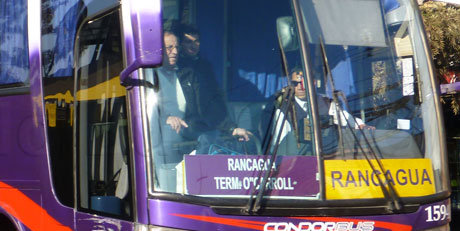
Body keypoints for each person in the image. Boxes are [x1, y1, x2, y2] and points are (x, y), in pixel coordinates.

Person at [150, 31, 253, 189]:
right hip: (159, 146)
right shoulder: (149, 74)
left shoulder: (190, 72)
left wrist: (230, 128)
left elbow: (209, 106)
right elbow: (145, 107)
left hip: (187, 141)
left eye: (176, 47)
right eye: (169, 47)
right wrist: (166, 117)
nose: (175, 52)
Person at [267, 68, 372, 155]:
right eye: (295, 83)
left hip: (326, 158)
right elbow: (280, 145)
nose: (300, 86)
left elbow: (345, 118)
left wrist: (361, 125)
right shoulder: (284, 110)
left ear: (313, 83)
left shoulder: (326, 103)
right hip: (298, 162)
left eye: (304, 82)